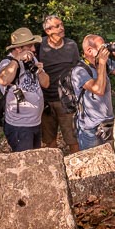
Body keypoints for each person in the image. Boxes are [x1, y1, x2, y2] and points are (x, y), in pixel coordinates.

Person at [71, 35, 115, 150]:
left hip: (107, 123)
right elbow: (98, 90)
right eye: (102, 47)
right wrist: (101, 63)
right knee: (92, 164)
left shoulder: (105, 63)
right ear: (89, 51)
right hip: (90, 129)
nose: (106, 50)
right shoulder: (79, 71)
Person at [0, 27, 51, 152]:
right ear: (18, 49)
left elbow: (46, 84)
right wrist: (17, 60)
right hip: (19, 126)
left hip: (36, 122)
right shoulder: (7, 63)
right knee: (25, 162)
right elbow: (4, 80)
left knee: (35, 158)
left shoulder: (32, 59)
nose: (34, 49)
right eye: (30, 46)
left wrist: (39, 71)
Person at [38, 14, 80, 153]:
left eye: (61, 25)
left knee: (73, 139)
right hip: (46, 101)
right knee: (50, 140)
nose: (61, 28)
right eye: (57, 26)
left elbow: (77, 70)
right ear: (48, 31)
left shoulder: (71, 45)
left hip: (67, 100)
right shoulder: (40, 46)